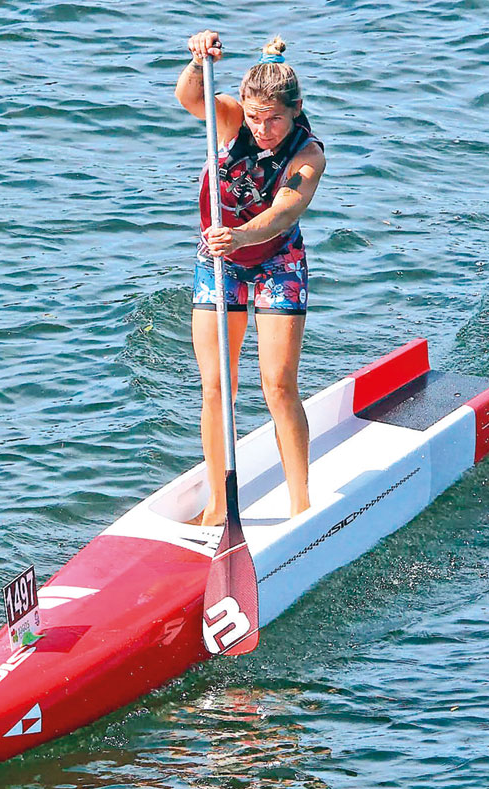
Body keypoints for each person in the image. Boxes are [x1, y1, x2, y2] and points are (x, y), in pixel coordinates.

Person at [176, 31, 326, 526]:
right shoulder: (231, 119)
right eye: (256, 117)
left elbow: (285, 213)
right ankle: (218, 508)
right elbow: (190, 97)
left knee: (278, 385)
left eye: (275, 119)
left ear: (296, 109)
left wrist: (240, 236)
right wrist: (200, 62)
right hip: (219, 262)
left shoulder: (308, 156)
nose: (263, 130)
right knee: (217, 385)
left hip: (277, 263)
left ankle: (301, 506)